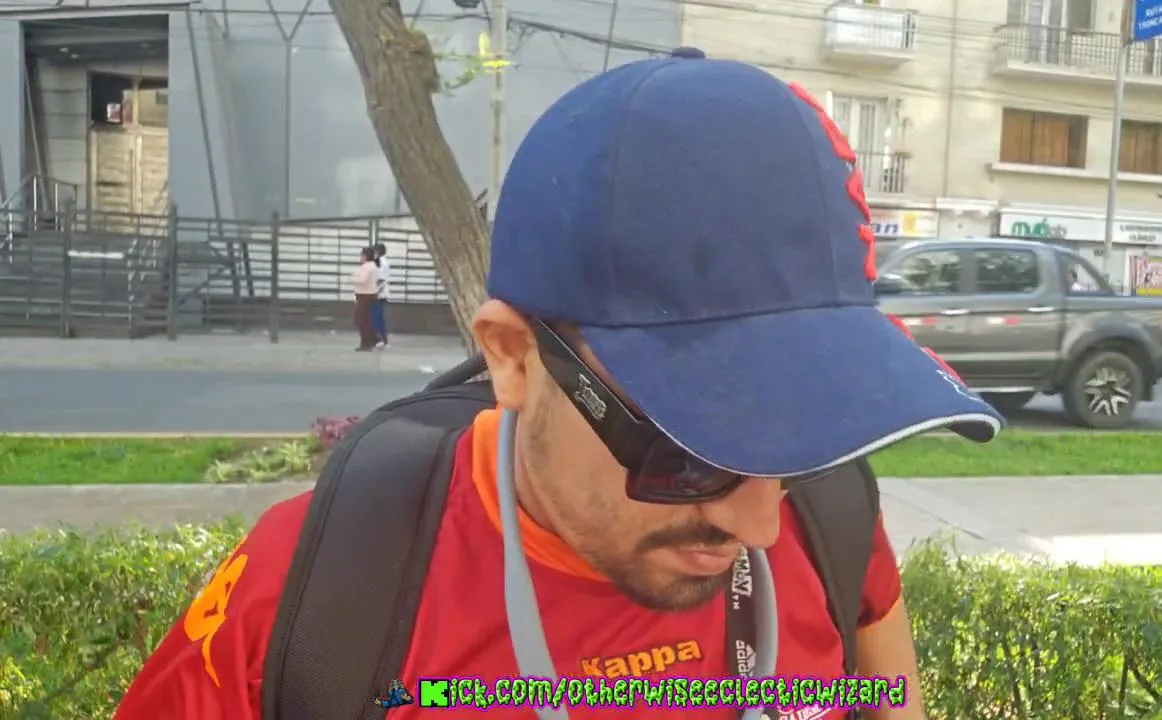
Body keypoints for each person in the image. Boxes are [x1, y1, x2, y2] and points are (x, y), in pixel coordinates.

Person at [113, 48, 1002, 720]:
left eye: (804, 437)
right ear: (512, 355)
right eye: (691, 450)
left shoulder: (828, 516)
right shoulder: (319, 591)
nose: (760, 524)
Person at [351, 246, 380, 351]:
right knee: (365, 319)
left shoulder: (368, 266)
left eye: (362, 255)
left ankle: (368, 342)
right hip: (368, 295)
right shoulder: (371, 266)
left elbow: (362, 280)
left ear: (365, 256)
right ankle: (372, 340)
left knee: (360, 319)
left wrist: (352, 278)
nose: (360, 257)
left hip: (365, 295)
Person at [371, 242, 391, 348]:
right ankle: (382, 340)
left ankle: (381, 339)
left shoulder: (382, 263)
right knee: (378, 318)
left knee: (375, 317)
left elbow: (381, 280)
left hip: (379, 294)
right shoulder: (381, 262)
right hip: (380, 294)